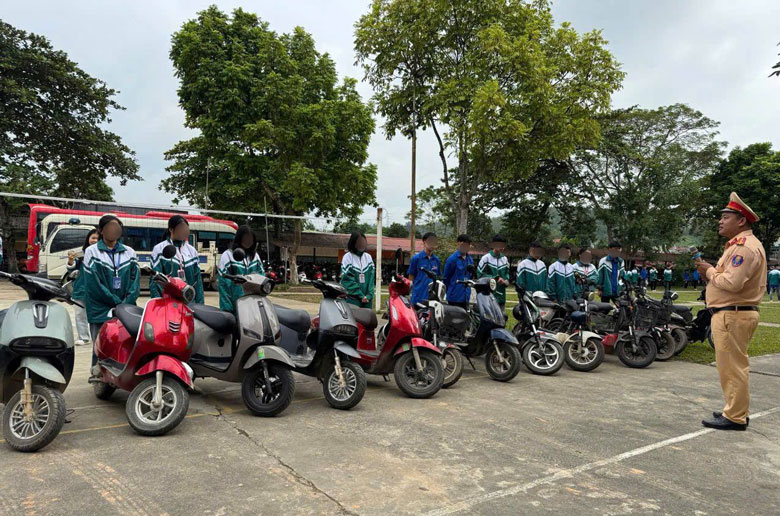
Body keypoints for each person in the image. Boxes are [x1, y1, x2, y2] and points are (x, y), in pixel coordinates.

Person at [697, 192, 766, 431]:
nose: (720, 221)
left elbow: (732, 283)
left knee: (732, 367)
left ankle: (735, 416)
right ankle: (735, 409)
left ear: (741, 221)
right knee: (731, 366)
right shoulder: (739, 246)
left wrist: (708, 271)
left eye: (726, 217)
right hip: (733, 313)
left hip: (733, 313)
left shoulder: (743, 248)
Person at [84, 215, 140, 377]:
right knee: (100, 343)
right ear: (101, 230)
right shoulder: (92, 252)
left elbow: (135, 281)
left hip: (126, 307)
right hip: (100, 307)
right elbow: (94, 284)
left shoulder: (129, 252)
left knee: (125, 341)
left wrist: (127, 302)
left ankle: (122, 375)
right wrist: (115, 301)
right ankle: (98, 376)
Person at [151, 215, 204, 304]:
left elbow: (198, 281)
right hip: (169, 303)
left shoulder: (192, 251)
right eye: (181, 228)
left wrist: (200, 305)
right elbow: (155, 281)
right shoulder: (159, 249)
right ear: (171, 229)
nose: (184, 231)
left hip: (189, 302)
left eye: (186, 228)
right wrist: (159, 304)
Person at [218, 225, 265, 313]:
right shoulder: (228, 255)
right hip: (235, 305)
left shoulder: (255, 256)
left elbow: (262, 278)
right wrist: (227, 308)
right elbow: (223, 284)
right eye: (245, 238)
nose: (248, 241)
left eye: (251, 239)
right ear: (239, 238)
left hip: (253, 305)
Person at [66, 229, 99, 346]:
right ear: (88, 239)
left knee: (97, 314)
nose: (95, 240)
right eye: (93, 238)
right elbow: (71, 269)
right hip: (81, 288)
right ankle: (83, 337)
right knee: (80, 314)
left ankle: (99, 337)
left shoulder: (104, 255)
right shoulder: (81, 254)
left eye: (98, 239)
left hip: (97, 289)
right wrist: (70, 260)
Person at [340, 231, 375, 309]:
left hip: (367, 299)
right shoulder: (347, 257)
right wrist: (360, 295)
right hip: (352, 298)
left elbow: (371, 279)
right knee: (353, 316)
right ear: (353, 243)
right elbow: (347, 279)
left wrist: (369, 295)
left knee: (367, 316)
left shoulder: (368, 257)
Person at [477, 234, 510, 311]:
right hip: (488, 295)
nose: (502, 247)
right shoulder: (486, 258)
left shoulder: (505, 259)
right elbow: (479, 274)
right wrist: (494, 279)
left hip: (501, 296)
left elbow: (507, 274)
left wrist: (505, 281)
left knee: (502, 316)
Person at [407, 232, 441, 306]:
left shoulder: (437, 260)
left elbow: (438, 278)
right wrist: (410, 293)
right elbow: (411, 278)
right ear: (424, 242)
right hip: (418, 296)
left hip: (432, 298)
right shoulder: (416, 258)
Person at [443, 234, 474, 309]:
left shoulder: (470, 260)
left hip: (466, 296)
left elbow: (470, 276)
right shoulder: (452, 259)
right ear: (458, 244)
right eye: (463, 244)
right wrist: (451, 290)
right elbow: (446, 278)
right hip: (454, 296)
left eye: (467, 245)